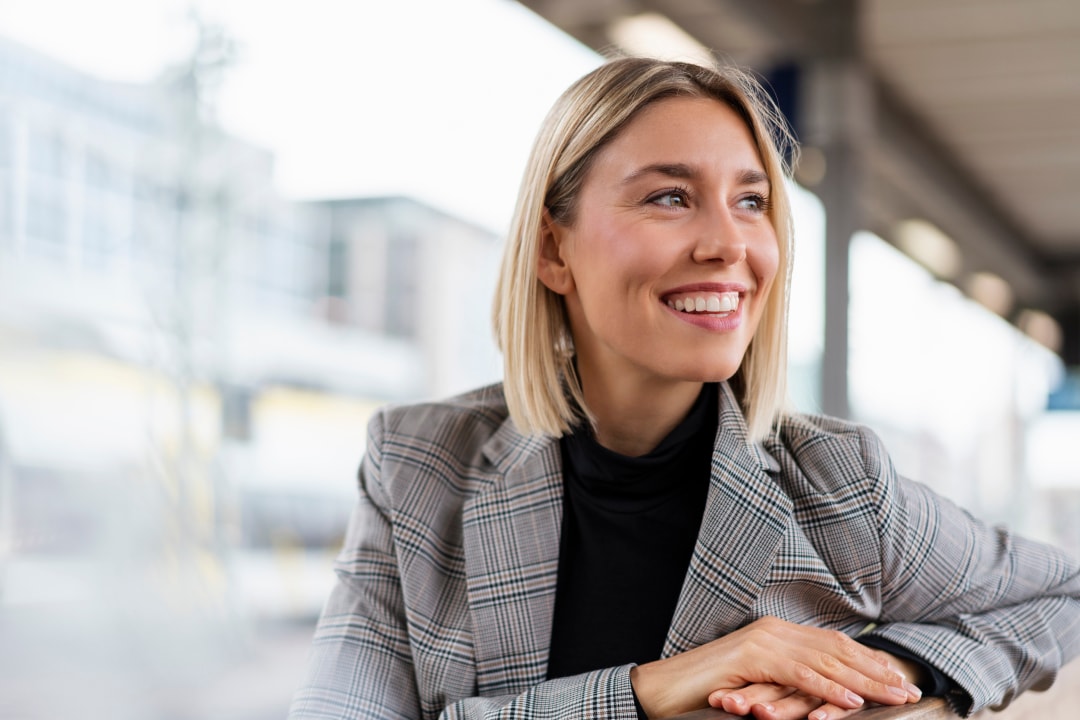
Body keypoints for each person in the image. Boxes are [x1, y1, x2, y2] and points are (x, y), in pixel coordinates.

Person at [288, 57, 1080, 720]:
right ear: (553, 250)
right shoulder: (419, 467)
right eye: (669, 196)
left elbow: (1063, 594)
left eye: (751, 201)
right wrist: (648, 691)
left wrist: (910, 683)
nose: (728, 242)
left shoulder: (840, 487)